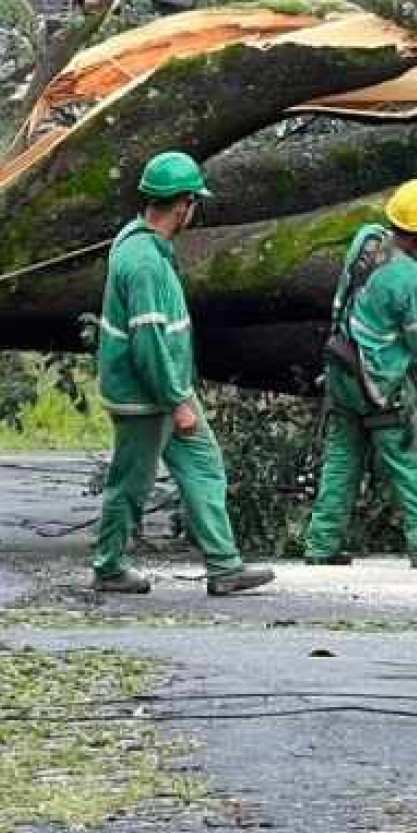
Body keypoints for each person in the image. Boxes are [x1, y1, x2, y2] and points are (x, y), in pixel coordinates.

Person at [93, 151, 275, 597]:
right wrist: (176, 402)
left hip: (163, 388)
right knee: (130, 484)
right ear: (183, 204)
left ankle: (224, 566)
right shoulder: (145, 263)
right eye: (194, 202)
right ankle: (110, 566)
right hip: (148, 395)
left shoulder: (140, 244)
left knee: (204, 467)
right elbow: (149, 340)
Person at [304, 178, 417, 568]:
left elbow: (400, 249)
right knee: (409, 463)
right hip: (380, 383)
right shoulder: (409, 280)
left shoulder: (367, 239)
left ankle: (321, 546)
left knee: (342, 459)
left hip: (342, 369)